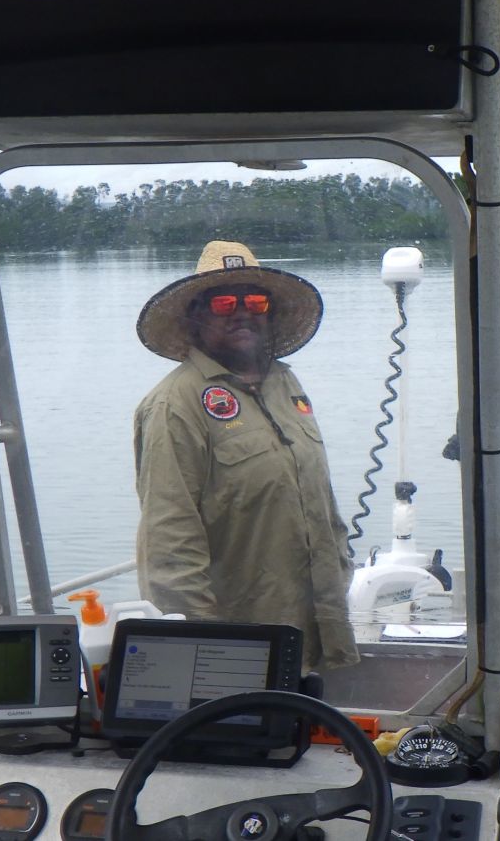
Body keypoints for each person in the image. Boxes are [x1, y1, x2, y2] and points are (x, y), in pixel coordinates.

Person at [133, 240, 358, 671]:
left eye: (255, 301)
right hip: (238, 645)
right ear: (195, 316)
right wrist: (209, 651)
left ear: (270, 313)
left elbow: (321, 502)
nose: (242, 311)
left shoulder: (285, 384)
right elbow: (170, 549)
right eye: (223, 303)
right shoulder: (173, 405)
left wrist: (341, 571)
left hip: (314, 630)